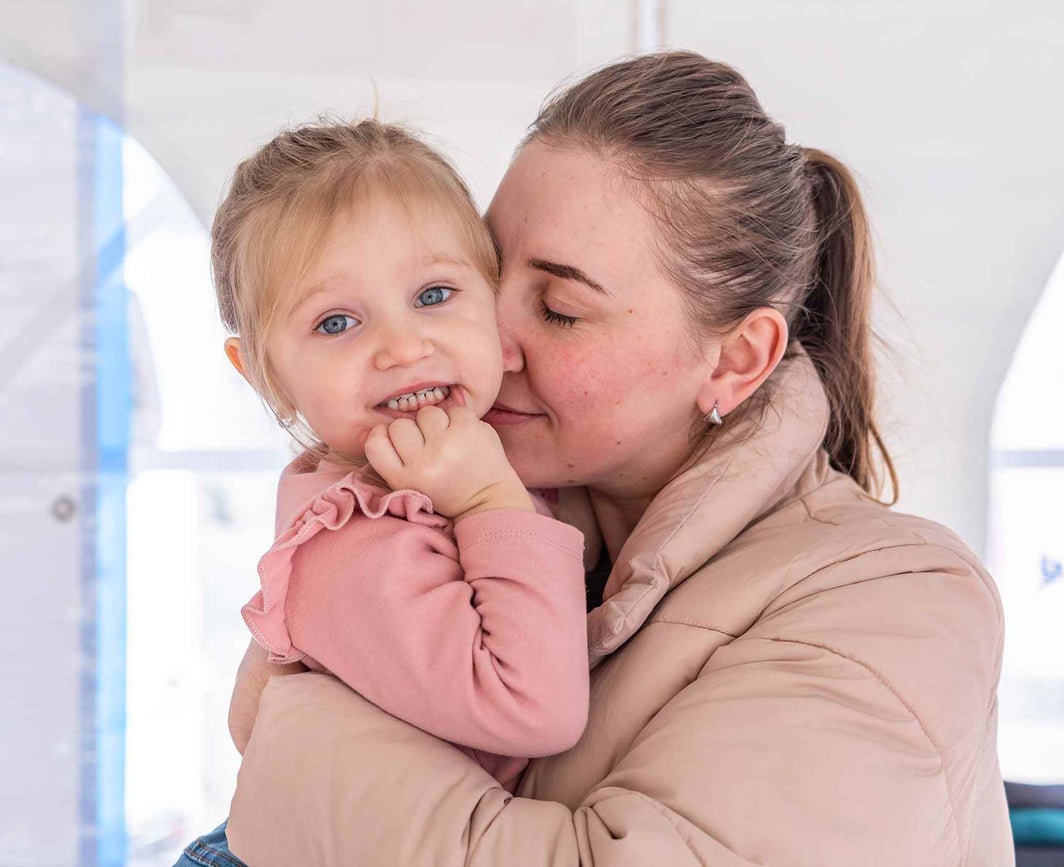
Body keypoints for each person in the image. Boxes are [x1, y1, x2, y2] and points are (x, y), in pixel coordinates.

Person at [184, 51, 1015, 866]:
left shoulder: (894, 608)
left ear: (733, 359)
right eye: (479, 278)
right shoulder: (469, 511)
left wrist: (291, 728)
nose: (476, 345)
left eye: (557, 308)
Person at [207, 120, 592, 803]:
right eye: (336, 322)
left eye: (434, 295)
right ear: (267, 376)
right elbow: (535, 708)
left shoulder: (492, 453)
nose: (403, 346)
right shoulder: (353, 544)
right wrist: (489, 502)